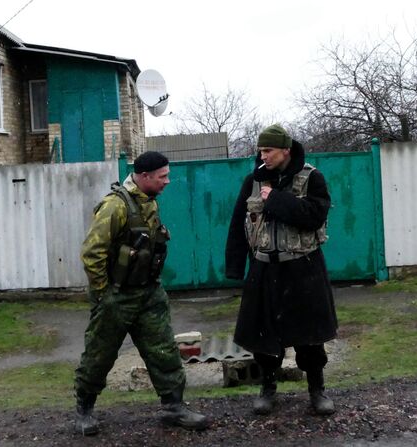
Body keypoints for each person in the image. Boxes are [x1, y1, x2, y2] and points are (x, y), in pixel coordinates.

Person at [74, 151, 209, 435]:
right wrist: (103, 294)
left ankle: (174, 407)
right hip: (117, 296)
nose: (168, 182)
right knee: (99, 355)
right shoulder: (115, 206)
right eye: (163, 177)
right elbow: (92, 253)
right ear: (144, 176)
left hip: (149, 294)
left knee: (163, 351)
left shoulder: (148, 203)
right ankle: (84, 410)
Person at [225, 124, 338, 416]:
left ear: (285, 150)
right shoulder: (253, 181)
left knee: (310, 338)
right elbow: (239, 224)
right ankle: (268, 388)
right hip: (264, 269)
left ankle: (317, 390)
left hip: (303, 269)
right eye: (261, 150)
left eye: (269, 150)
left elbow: (313, 216)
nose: (264, 155)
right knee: (263, 337)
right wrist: (236, 268)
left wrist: (274, 198)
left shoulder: (312, 178)